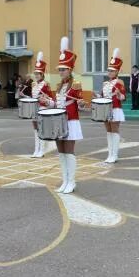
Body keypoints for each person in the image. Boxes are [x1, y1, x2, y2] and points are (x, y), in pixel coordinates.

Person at [43, 37, 82, 194]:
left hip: (71, 121)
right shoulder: (59, 86)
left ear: (70, 70)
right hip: (58, 122)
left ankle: (71, 181)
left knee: (69, 151)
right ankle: (65, 180)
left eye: (63, 69)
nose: (60, 72)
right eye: (59, 69)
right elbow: (57, 104)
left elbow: (80, 103)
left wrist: (80, 104)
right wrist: (48, 102)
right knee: (61, 152)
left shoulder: (76, 84)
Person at [99, 49, 126, 163]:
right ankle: (110, 153)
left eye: (112, 71)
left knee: (114, 131)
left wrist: (119, 95)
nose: (109, 72)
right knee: (108, 131)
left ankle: (114, 154)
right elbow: (102, 95)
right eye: (109, 70)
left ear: (117, 72)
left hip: (115, 109)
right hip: (106, 109)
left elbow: (123, 97)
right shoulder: (105, 83)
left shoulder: (119, 82)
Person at [29, 52, 53, 158]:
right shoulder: (34, 85)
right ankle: (36, 149)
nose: (36, 75)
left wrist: (44, 99)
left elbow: (51, 98)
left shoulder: (46, 85)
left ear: (42, 74)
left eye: (38, 74)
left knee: (41, 129)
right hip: (34, 109)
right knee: (35, 129)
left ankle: (42, 150)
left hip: (42, 108)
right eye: (35, 74)